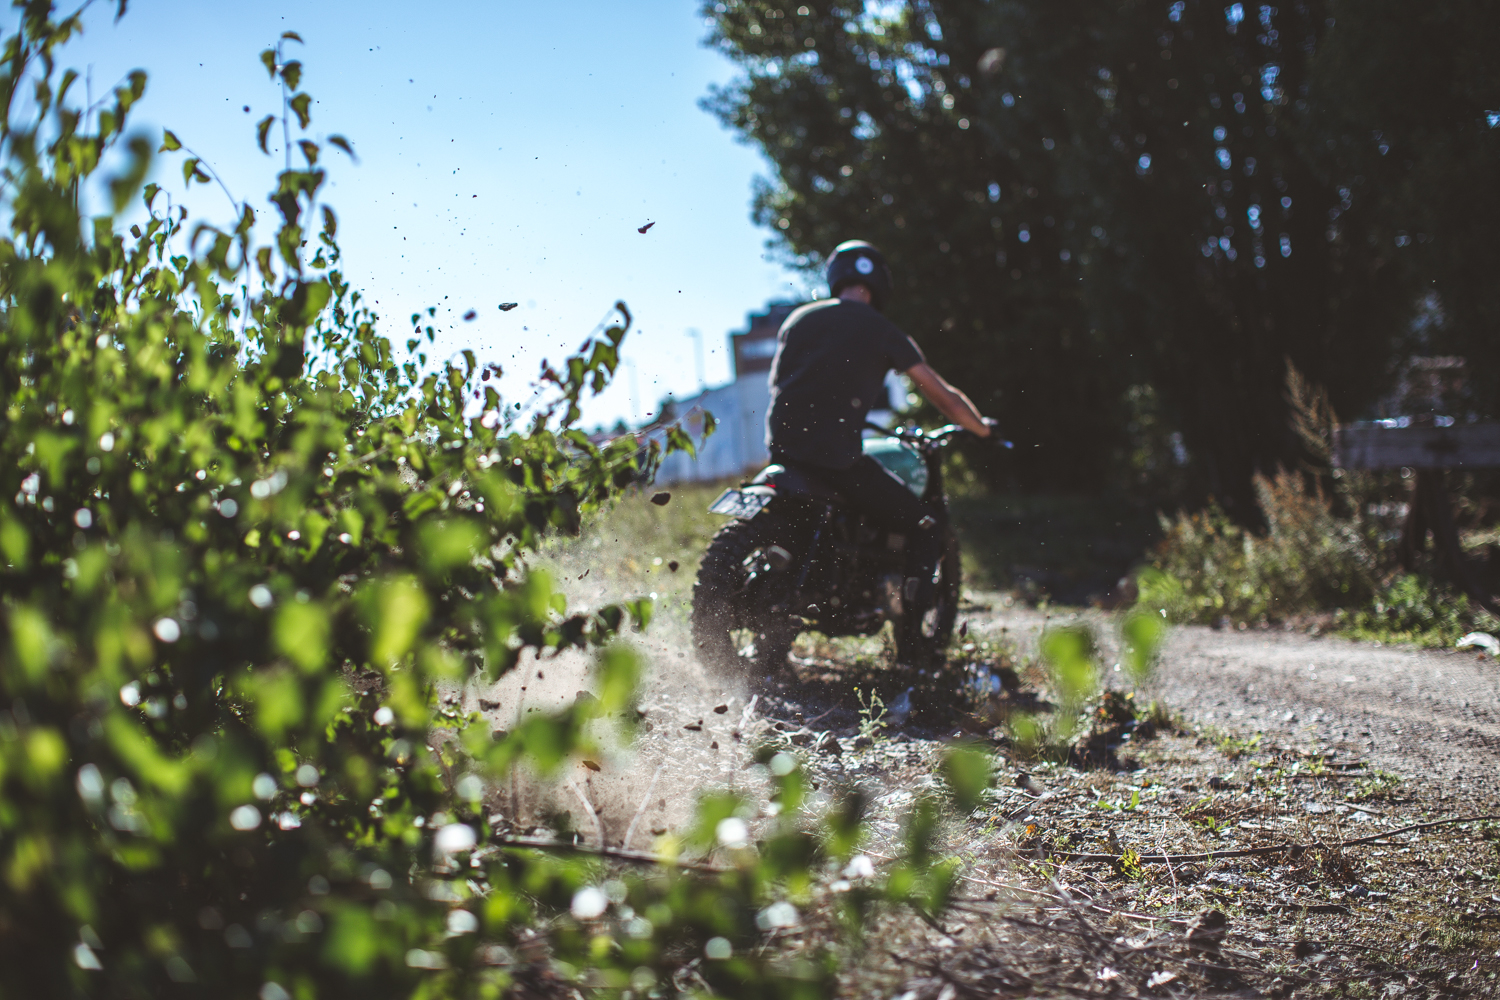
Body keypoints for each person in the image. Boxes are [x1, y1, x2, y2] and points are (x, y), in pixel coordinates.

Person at [765, 239, 994, 618]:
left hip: (783, 453)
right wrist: (982, 429)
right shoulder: (884, 331)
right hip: (835, 459)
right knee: (925, 523)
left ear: (835, 279)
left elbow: (779, 383)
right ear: (879, 286)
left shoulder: (798, 320)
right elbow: (946, 399)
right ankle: (913, 646)